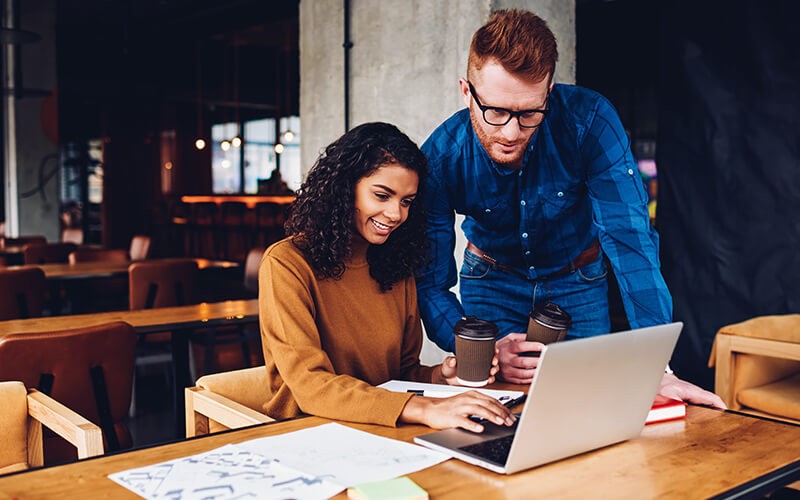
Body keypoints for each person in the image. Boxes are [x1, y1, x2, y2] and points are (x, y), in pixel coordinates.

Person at [416, 10, 725, 407]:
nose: (511, 132)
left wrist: (656, 368)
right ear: (466, 91)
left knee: (583, 409)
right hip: (491, 280)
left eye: (529, 113)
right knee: (492, 416)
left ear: (549, 92)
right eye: (495, 111)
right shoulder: (443, 156)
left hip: (577, 282)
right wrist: (483, 349)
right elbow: (429, 281)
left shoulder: (591, 122)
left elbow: (630, 238)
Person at [258, 121, 516, 432]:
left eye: (406, 201)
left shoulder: (395, 266)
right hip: (307, 432)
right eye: (382, 196)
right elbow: (309, 385)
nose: (396, 214)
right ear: (344, 189)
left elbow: (401, 375)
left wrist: (442, 377)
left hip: (382, 430)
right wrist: (424, 408)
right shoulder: (287, 264)